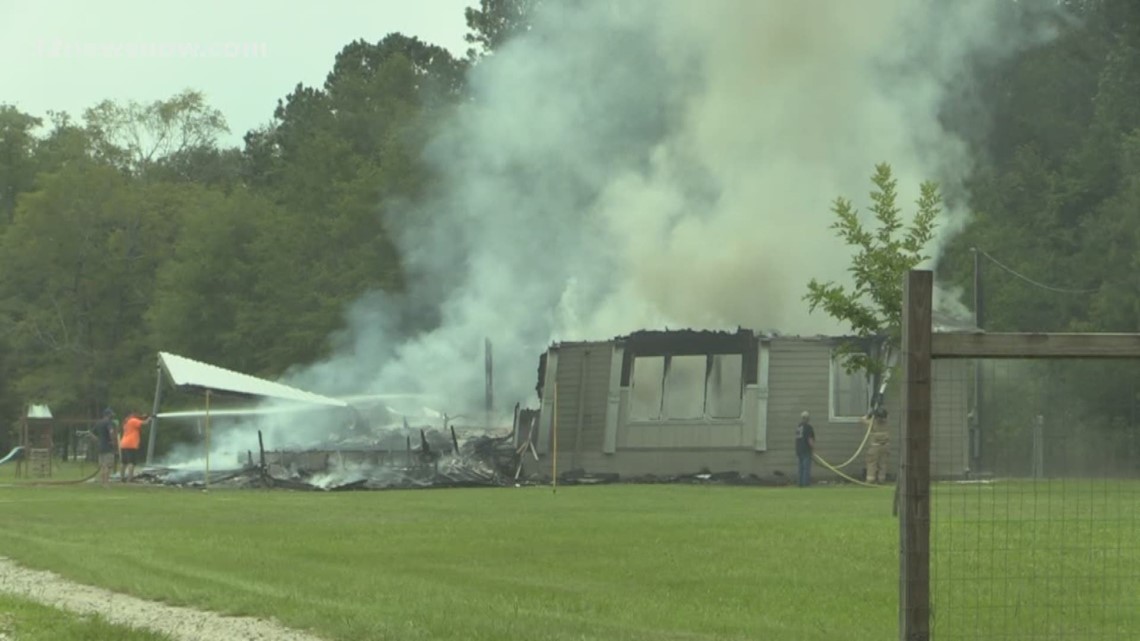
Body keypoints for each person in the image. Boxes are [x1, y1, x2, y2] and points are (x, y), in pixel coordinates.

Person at [118, 412, 149, 483]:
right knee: (131, 462)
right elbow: (145, 423)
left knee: (124, 462)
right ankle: (130, 478)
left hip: (123, 444)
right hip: (131, 444)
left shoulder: (126, 422)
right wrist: (149, 419)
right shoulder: (133, 420)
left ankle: (122, 478)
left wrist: (144, 417)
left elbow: (140, 421)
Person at [863, 407, 891, 484]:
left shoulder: (872, 423)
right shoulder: (887, 423)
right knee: (883, 464)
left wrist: (868, 414)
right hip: (885, 446)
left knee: (872, 463)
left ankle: (870, 480)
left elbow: (862, 420)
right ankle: (881, 480)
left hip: (875, 447)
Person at [91, 408, 117, 487]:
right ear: (108, 415)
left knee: (103, 466)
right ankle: (106, 483)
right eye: (111, 414)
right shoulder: (109, 423)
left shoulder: (98, 423)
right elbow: (111, 432)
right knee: (108, 466)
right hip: (108, 447)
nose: (112, 415)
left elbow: (91, 433)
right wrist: (113, 441)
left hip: (100, 447)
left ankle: (103, 482)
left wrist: (98, 440)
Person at [795, 410, 815, 487]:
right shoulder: (808, 427)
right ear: (807, 418)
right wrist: (813, 448)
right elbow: (809, 439)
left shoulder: (799, 427)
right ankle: (805, 484)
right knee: (806, 468)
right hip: (806, 450)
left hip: (799, 449)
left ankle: (800, 484)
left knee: (800, 468)